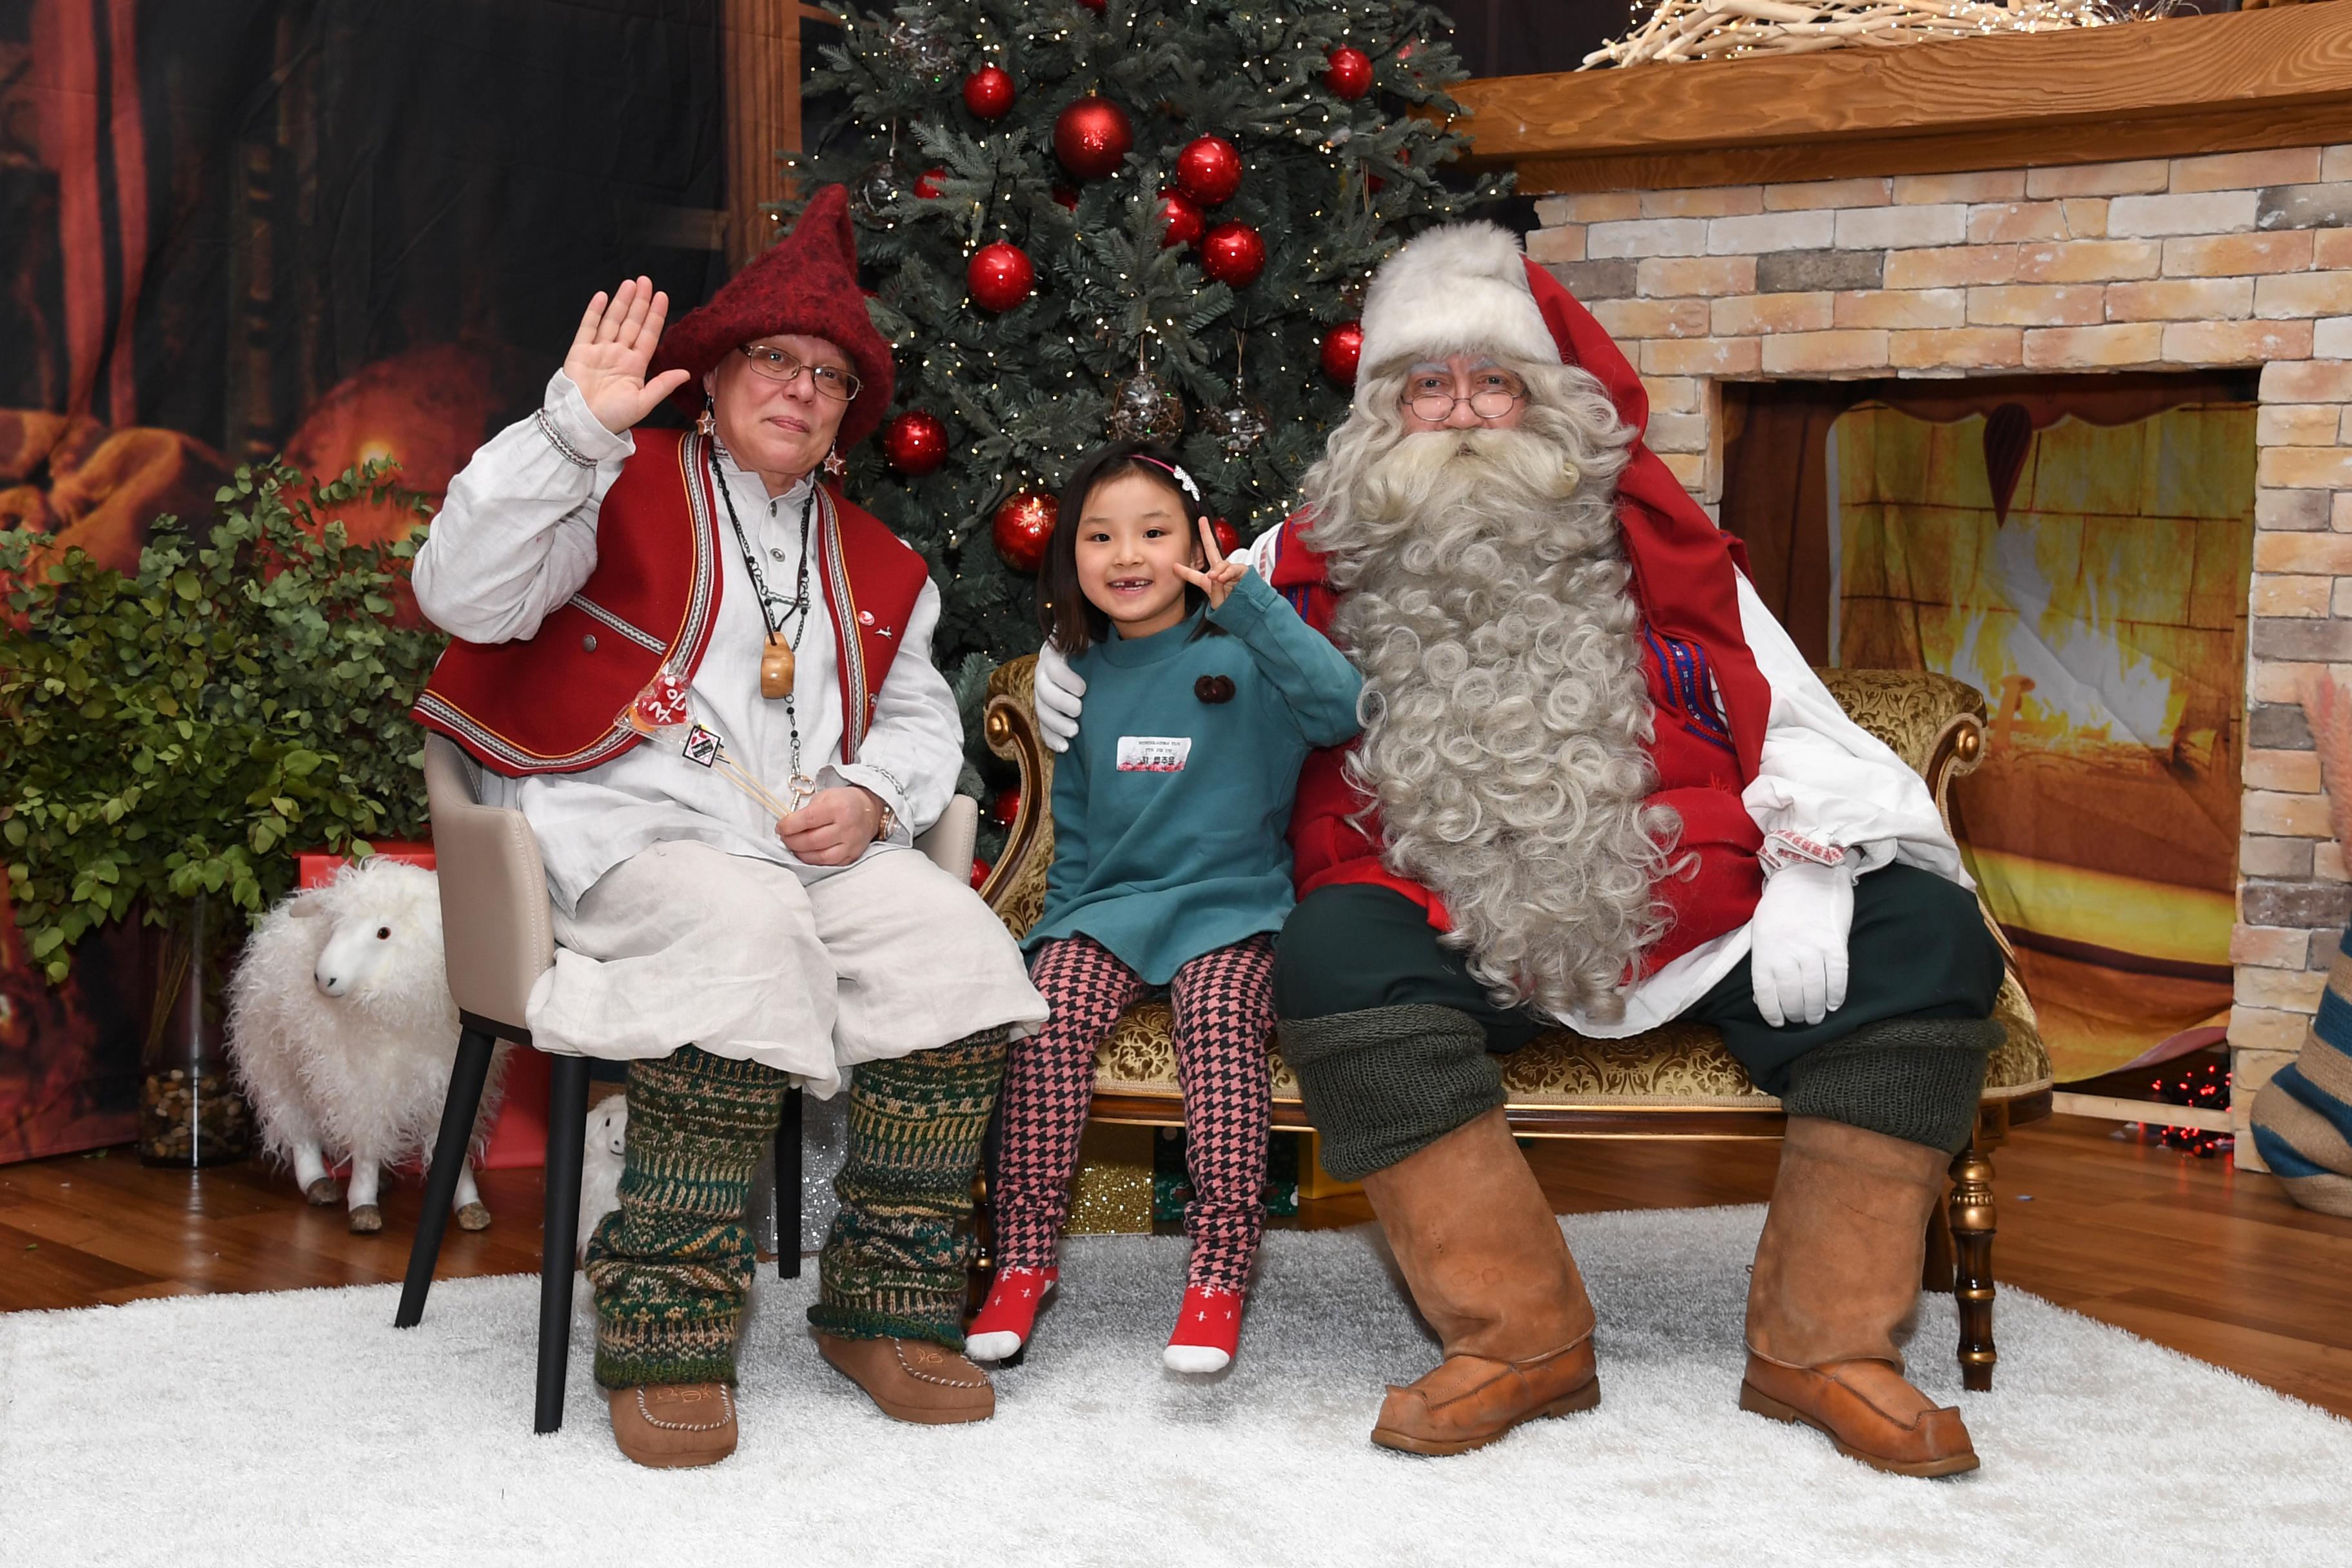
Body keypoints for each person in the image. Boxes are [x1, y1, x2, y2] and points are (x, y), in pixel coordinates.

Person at [1032, 222, 2005, 1477]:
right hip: (1439, 916)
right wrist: (1080, 667)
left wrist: (1820, 860)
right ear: (1386, 411)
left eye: (1496, 381)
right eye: (1428, 386)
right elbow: (1158, 601)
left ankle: (1823, 1344)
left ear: (1553, 401)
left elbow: (1796, 711)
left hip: (1682, 898)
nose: (1464, 414)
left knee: (1925, 935)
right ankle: (1518, 1332)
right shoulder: (1308, 552)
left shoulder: (1661, 542)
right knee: (1331, 944)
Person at [410, 187, 1047, 1469]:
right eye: (776, 360)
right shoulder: (604, 480)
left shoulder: (877, 561)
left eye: (828, 377)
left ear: (845, 418)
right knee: (743, 928)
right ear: (713, 373)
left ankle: (884, 1303)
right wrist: (569, 430)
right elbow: (457, 589)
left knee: (960, 950)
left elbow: (922, 722)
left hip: (807, 850)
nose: (802, 391)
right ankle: (666, 1324)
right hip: (617, 844)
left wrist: (870, 796)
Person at [968, 442, 1361, 1374]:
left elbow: (1344, 710)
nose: (1128, 555)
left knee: (1220, 1019)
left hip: (1230, 908)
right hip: (1110, 909)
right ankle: (1023, 1260)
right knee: (1045, 1016)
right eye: (1100, 537)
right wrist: (1051, 936)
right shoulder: (1080, 680)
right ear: (1072, 558)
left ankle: (1220, 1270)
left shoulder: (1245, 654)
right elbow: (1077, 828)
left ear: (1197, 541)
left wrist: (1252, 605)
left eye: (1153, 532)